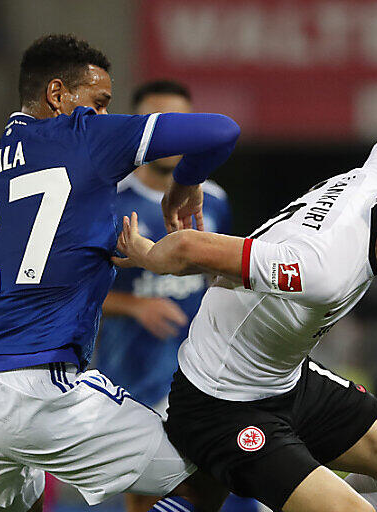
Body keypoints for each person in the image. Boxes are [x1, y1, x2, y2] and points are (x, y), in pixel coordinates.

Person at [111, 2, 377, 511]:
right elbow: (188, 245)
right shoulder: (323, 266)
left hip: (285, 381)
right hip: (220, 403)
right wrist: (141, 252)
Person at [0, 34, 239, 512]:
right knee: (209, 473)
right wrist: (186, 182)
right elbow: (220, 131)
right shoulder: (85, 137)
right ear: (57, 95)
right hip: (38, 386)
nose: (103, 115)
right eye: (98, 102)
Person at [97, 80, 258, 512]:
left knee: (214, 486)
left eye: (179, 125)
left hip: (194, 372)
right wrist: (134, 304)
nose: (172, 138)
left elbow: (221, 280)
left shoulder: (215, 201)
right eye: (159, 125)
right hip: (128, 372)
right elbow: (75, 291)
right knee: (146, 496)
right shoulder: (108, 201)